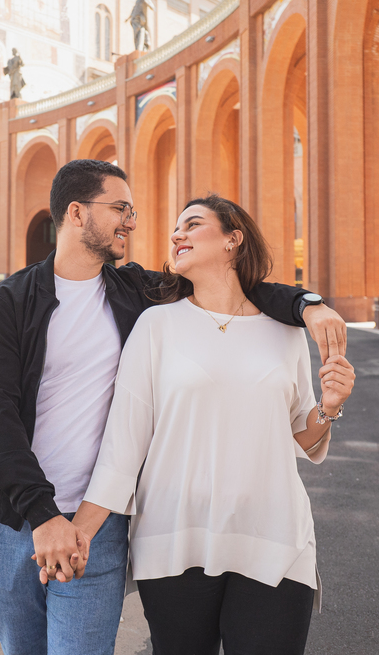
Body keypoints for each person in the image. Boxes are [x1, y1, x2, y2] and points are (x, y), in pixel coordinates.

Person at [0, 161, 349, 655]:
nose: (132, 220)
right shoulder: (7, 303)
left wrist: (308, 304)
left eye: (133, 210)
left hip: (98, 520)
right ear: (77, 212)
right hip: (16, 520)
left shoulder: (135, 292)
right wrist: (44, 518)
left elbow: (237, 291)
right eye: (120, 208)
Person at [70, 194, 356, 655]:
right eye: (175, 228)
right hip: (175, 540)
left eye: (193, 224)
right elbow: (123, 446)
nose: (176, 234)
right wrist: (77, 531)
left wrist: (330, 406)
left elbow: (301, 437)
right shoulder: (155, 326)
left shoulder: (285, 331)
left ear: (232, 240)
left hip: (275, 539)